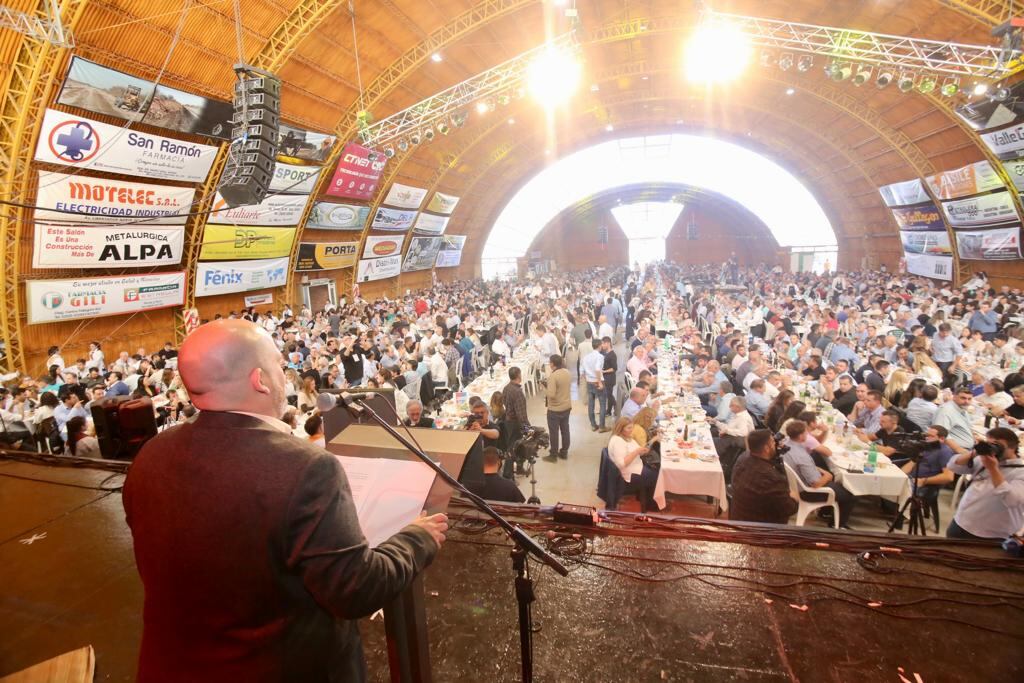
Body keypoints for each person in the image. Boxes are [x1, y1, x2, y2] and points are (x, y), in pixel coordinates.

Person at [123, 319, 446, 681]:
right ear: (259, 379)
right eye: (279, 363)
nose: (284, 373)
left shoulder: (151, 456)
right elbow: (355, 590)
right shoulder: (305, 467)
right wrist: (417, 538)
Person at [946, 428, 1024, 540]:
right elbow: (953, 466)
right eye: (989, 444)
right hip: (962, 523)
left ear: (1013, 448)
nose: (992, 448)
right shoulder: (983, 460)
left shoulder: (1020, 472)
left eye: (997, 445)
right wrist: (975, 452)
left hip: (993, 534)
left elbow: (1011, 499)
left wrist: (993, 469)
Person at [782, 420, 856, 529]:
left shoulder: (786, 443)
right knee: (852, 494)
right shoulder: (801, 456)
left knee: (831, 476)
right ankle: (838, 525)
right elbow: (816, 484)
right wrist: (827, 475)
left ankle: (825, 512)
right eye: (806, 432)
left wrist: (819, 470)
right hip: (808, 492)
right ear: (801, 436)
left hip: (796, 485)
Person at [729, 429, 799, 524]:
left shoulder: (743, 458)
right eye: (773, 442)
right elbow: (789, 509)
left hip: (738, 517)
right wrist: (794, 496)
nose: (775, 444)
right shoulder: (770, 478)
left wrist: (775, 453)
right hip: (761, 528)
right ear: (766, 448)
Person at [606, 417, 659, 510]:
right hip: (628, 473)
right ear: (620, 428)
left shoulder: (627, 437)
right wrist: (637, 452)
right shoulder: (618, 441)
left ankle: (644, 497)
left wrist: (643, 449)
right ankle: (650, 504)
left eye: (632, 427)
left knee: (656, 468)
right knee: (657, 476)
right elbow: (621, 464)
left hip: (636, 465)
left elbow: (638, 449)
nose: (631, 430)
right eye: (628, 428)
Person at [933, 387, 976, 453]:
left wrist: (974, 438)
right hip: (955, 452)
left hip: (968, 449)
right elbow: (941, 434)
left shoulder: (962, 409)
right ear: (954, 397)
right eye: (963, 398)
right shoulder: (946, 410)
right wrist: (958, 449)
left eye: (969, 399)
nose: (966, 401)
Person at [544, 354, 572, 460]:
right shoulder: (567, 372)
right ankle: (564, 451)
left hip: (555, 409)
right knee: (565, 430)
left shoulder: (553, 376)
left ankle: (553, 454)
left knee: (554, 432)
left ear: (552, 364)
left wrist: (543, 388)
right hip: (566, 406)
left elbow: (551, 394)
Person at [581, 339, 608, 432]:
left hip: (589, 382)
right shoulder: (600, 356)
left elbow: (582, 372)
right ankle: (602, 426)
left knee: (591, 404)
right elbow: (597, 369)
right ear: (600, 345)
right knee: (603, 404)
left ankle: (593, 425)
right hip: (597, 382)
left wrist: (588, 379)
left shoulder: (586, 357)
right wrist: (599, 382)